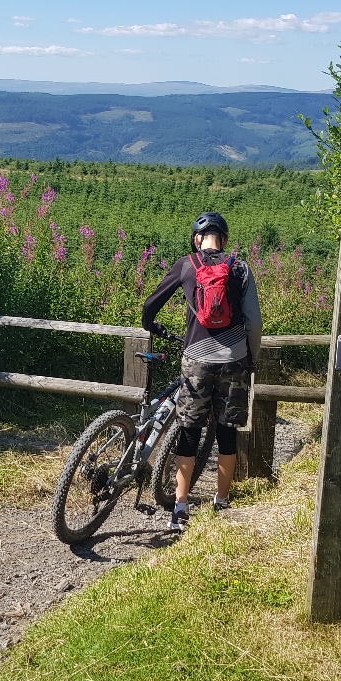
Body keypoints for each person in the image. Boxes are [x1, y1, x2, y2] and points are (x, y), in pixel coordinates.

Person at [141, 212, 262, 531]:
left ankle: (179, 508)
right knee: (226, 430)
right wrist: (251, 358)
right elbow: (254, 322)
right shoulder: (240, 268)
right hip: (234, 358)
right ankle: (220, 502)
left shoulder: (186, 265)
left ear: (198, 239)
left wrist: (150, 325)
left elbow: (150, 306)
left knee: (189, 430)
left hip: (195, 358)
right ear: (223, 238)